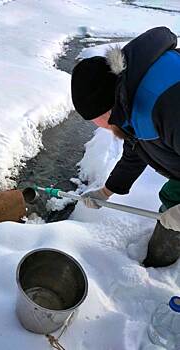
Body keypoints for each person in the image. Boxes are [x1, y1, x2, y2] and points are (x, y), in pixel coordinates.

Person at [71, 26, 180, 268]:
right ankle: (161, 255)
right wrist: (106, 192)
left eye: (93, 119)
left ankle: (163, 265)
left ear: (105, 107)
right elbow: (137, 149)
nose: (96, 125)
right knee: (172, 198)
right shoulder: (129, 91)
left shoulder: (167, 105)